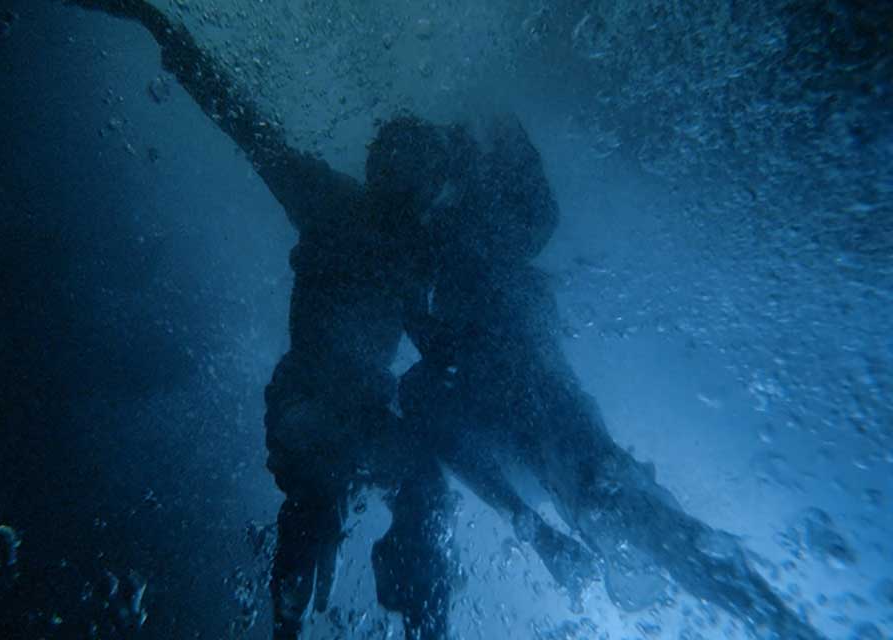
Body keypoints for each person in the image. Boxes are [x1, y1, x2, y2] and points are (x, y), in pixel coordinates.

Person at [67, 2, 586, 638]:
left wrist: (491, 123)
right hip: (315, 395)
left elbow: (520, 242)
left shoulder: (413, 243)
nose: (410, 181)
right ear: (386, 172)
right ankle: (330, 616)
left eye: (418, 168)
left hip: (348, 401)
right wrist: (162, 29)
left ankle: (408, 618)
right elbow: (241, 120)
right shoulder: (337, 204)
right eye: (401, 163)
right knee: (342, 498)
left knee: (415, 489)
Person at [400, 116, 829, 639]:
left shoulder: (470, 239)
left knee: (612, 503)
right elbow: (433, 356)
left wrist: (508, 139)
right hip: (513, 414)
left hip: (533, 410)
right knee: (604, 498)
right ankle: (773, 616)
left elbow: (526, 220)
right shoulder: (446, 244)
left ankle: (774, 617)